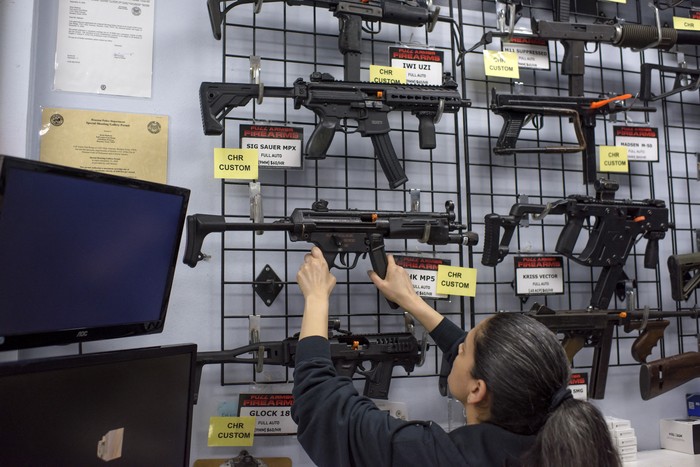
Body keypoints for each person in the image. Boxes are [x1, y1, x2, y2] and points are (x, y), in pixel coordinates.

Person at [292, 246, 621, 467]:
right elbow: (483, 360)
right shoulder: (551, 442)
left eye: (463, 349)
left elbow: (320, 407)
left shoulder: (439, 457)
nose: (457, 347)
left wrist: (317, 299)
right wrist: (414, 303)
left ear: (478, 390)